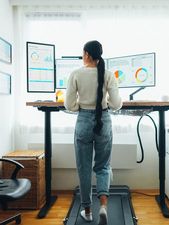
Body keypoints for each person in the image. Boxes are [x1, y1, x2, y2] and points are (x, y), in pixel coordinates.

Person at [64, 40, 122, 224]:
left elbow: (70, 106)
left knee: (84, 168)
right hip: (103, 120)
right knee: (103, 166)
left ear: (87, 55)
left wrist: (81, 104)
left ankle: (87, 211)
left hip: (83, 122)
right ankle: (103, 207)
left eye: (83, 53)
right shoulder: (108, 74)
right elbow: (116, 104)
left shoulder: (75, 74)